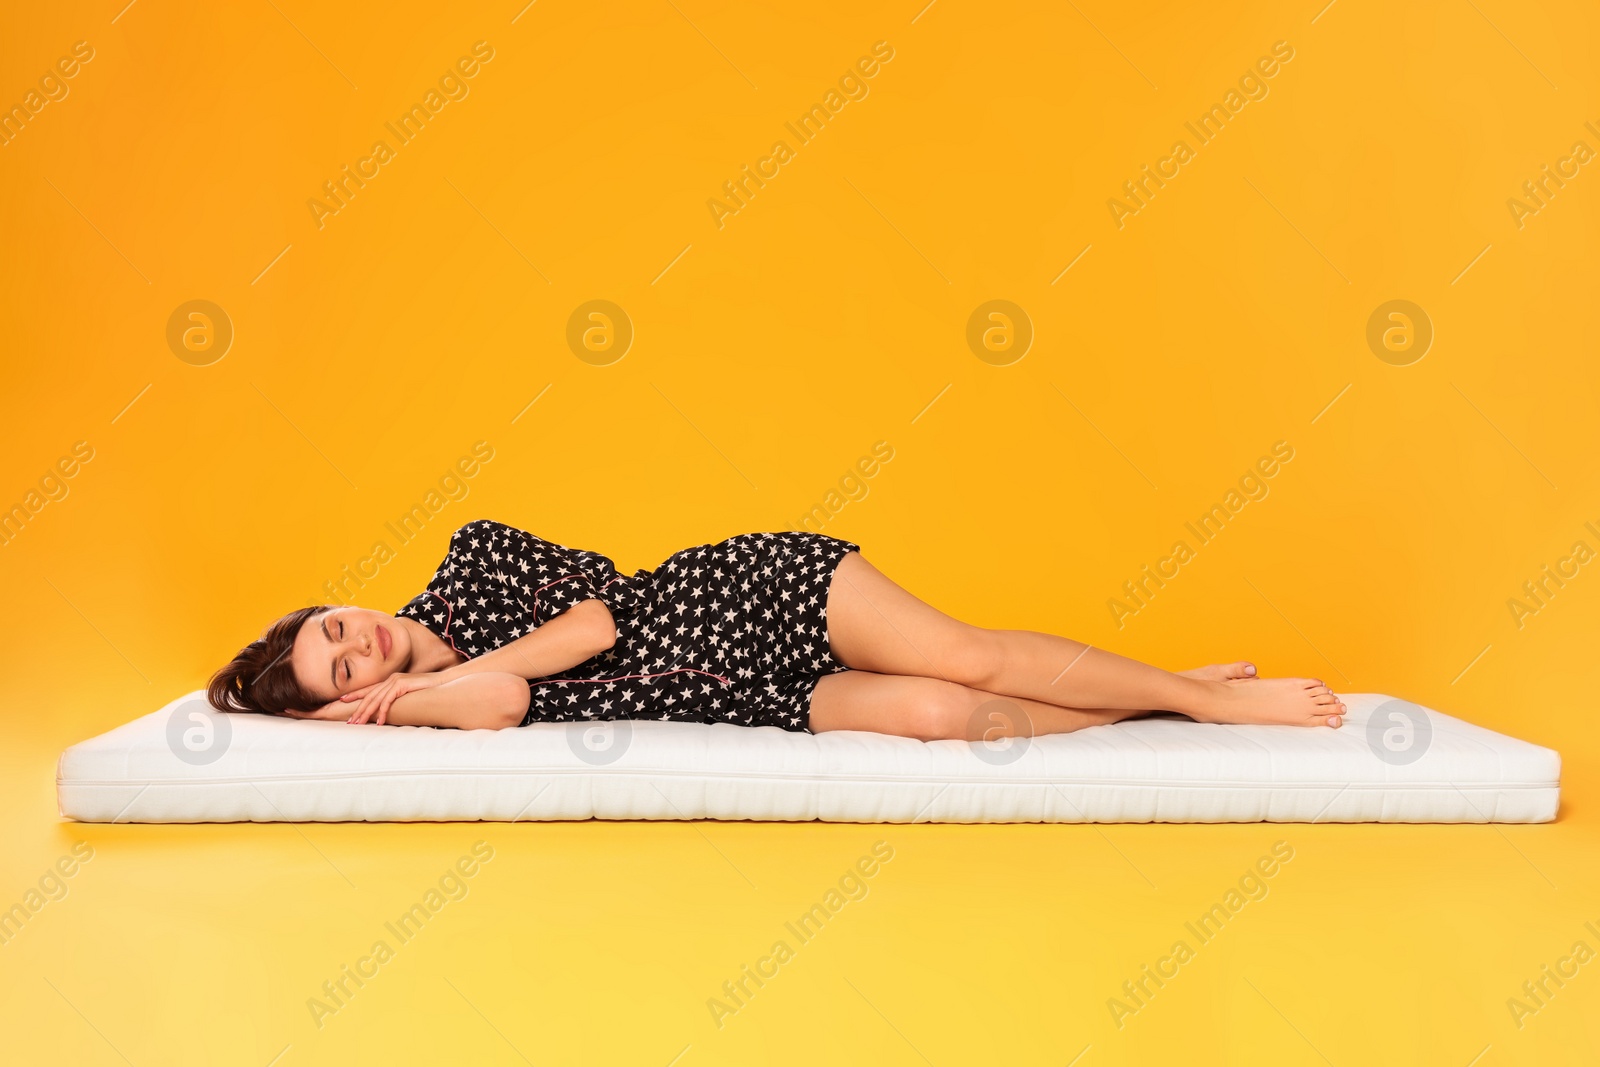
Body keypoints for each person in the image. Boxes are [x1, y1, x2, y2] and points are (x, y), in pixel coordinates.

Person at [207, 519, 1346, 740]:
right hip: (736, 694)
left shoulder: (472, 558)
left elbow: (591, 624)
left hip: (750, 593)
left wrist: (420, 688)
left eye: (335, 628)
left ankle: (1211, 698)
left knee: (963, 653)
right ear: (341, 700)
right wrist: (406, 706)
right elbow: (502, 701)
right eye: (339, 671)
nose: (358, 647)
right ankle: (1150, 688)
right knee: (950, 713)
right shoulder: (435, 702)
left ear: (337, 602)